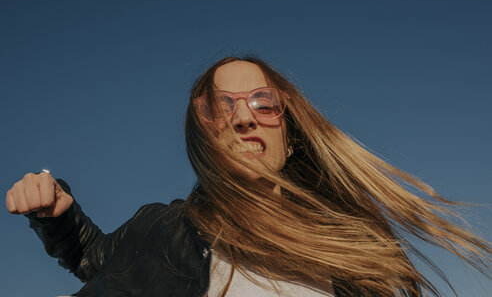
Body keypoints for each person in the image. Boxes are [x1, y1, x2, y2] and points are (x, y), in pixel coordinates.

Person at [6, 56, 491, 297]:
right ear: (203, 135)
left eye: (263, 103)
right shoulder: (165, 231)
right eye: (220, 107)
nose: (244, 118)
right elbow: (97, 258)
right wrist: (59, 216)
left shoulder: (349, 249)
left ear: (291, 131)